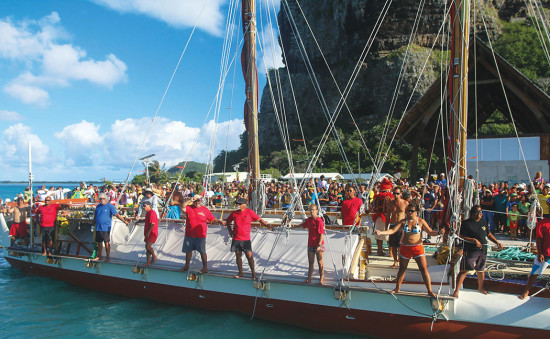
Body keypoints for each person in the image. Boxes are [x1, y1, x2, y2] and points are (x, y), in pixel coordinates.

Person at [375, 203, 439, 297]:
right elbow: (393, 230)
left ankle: (430, 290)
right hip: (405, 247)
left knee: (423, 269)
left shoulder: (421, 221)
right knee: (402, 269)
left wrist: (439, 233)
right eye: (408, 211)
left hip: (417, 247)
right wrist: (381, 232)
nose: (409, 213)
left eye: (411, 211)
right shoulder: (403, 222)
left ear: (416, 212)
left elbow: (430, 232)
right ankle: (397, 288)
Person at [453, 205, 503, 297]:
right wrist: (473, 240)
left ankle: (480, 288)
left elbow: (489, 234)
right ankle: (456, 290)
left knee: (481, 270)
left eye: (481, 212)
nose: (480, 214)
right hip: (471, 250)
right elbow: (461, 236)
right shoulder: (466, 223)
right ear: (473, 213)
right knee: (464, 270)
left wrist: (497, 242)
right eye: (478, 212)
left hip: (482, 250)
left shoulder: (483, 222)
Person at [225, 197, 270, 279]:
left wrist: (267, 225)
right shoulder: (234, 213)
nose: (238, 205)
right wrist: (230, 231)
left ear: (244, 204)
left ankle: (253, 274)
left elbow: (259, 219)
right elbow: (228, 221)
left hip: (245, 239)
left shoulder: (250, 212)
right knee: (238, 256)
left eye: (240, 204)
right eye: (237, 204)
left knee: (249, 256)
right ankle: (240, 273)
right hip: (236, 238)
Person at [180, 196, 224, 273]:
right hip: (189, 234)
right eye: (195, 201)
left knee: (202, 252)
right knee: (188, 252)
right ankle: (186, 266)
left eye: (198, 201)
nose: (196, 202)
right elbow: (182, 206)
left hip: (201, 235)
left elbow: (212, 219)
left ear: (200, 201)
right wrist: (191, 199)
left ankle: (205, 268)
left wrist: (220, 221)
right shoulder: (189, 208)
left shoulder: (205, 210)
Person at [519, 215, 550, 299]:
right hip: (545, 254)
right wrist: (540, 253)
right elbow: (539, 238)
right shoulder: (542, 223)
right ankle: (526, 290)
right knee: (534, 273)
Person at [93, 193, 129, 262]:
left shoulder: (110, 206)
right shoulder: (98, 206)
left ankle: (107, 257)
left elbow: (117, 215)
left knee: (106, 242)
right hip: (98, 227)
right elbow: (95, 216)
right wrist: (93, 223)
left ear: (106, 199)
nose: (102, 200)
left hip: (106, 227)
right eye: (100, 199)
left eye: (103, 198)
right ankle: (99, 256)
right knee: (99, 242)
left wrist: (124, 221)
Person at [298, 204, 325, 284]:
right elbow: (303, 225)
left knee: (320, 262)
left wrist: (319, 245)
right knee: (311, 262)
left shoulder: (319, 221)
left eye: (313, 210)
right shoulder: (309, 220)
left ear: (317, 211)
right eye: (310, 210)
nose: (311, 211)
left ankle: (321, 279)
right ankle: (309, 278)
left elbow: (321, 234)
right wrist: (293, 227)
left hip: (318, 244)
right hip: (311, 243)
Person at [385, 187, 409, 268]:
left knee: (401, 245)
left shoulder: (405, 203)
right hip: (393, 225)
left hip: (401, 225)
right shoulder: (390, 203)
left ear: (401, 193)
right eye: (394, 193)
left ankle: (400, 260)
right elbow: (388, 216)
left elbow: (409, 215)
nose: (396, 195)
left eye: (397, 193)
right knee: (393, 245)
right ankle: (395, 261)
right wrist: (386, 228)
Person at [371, 179, 393, 256]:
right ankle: (390, 252)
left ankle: (380, 251)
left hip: (378, 217)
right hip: (388, 217)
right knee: (389, 234)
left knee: (379, 235)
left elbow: (373, 207)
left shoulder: (376, 197)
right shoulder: (391, 197)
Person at [142, 201, 158, 266]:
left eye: (144, 205)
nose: (143, 207)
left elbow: (152, 224)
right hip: (147, 232)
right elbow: (146, 220)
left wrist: (148, 232)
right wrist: (139, 221)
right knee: (147, 247)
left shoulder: (152, 213)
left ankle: (154, 256)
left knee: (148, 246)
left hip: (152, 232)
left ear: (149, 206)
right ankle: (148, 262)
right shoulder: (148, 213)